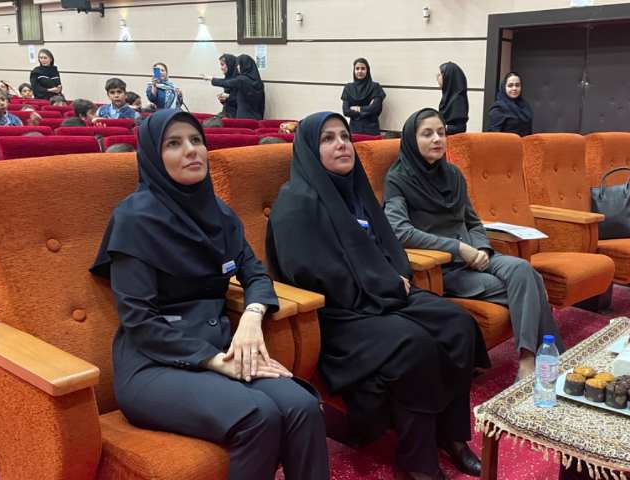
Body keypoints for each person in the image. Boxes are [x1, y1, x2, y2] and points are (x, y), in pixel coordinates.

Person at [90, 109, 329, 480]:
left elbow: (255, 274)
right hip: (152, 365)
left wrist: (251, 317)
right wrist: (214, 361)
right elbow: (139, 320)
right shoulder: (134, 219)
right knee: (259, 415)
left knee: (302, 405)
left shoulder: (220, 214)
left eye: (196, 140)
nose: (191, 150)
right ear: (153, 156)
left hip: (221, 349)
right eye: (174, 143)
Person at [266, 111, 488, 480]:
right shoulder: (295, 203)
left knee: (458, 324)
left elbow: (390, 245)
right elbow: (314, 275)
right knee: (414, 345)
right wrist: (384, 284)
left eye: (344, 136)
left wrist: (394, 277)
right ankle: (417, 463)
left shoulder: (356, 189)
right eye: (328, 139)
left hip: (384, 297)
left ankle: (451, 436)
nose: (341, 145)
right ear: (309, 150)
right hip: (340, 314)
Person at [383, 108, 563, 380]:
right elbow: (400, 231)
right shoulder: (397, 179)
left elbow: (473, 221)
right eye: (427, 134)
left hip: (477, 255)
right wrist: (458, 249)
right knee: (532, 284)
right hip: (444, 267)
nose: (437, 139)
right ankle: (537, 359)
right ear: (411, 139)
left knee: (523, 270)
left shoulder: (453, 174)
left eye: (441, 133)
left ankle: (530, 359)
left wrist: (481, 248)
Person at [203, 54, 265, 120]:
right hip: (257, 119)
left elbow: (226, 83)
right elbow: (246, 99)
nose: (237, 67)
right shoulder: (259, 83)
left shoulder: (242, 80)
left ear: (245, 66)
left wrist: (211, 79)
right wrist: (227, 97)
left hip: (242, 119)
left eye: (239, 65)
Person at [341, 58, 385, 135]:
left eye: (363, 68)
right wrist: (367, 110)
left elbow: (375, 108)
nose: (360, 71)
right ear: (354, 70)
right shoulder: (348, 88)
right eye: (357, 68)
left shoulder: (375, 87)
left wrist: (358, 109)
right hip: (354, 130)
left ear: (367, 70)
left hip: (371, 130)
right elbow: (346, 111)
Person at [486, 72, 533, 136]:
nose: (514, 88)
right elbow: (493, 135)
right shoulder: (498, 108)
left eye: (517, 85)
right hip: (506, 142)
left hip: (524, 142)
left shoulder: (525, 106)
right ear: (504, 87)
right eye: (510, 85)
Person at [437, 62, 469, 135]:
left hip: (453, 140)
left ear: (448, 77)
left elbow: (460, 128)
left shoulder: (458, 100)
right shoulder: (448, 96)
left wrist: (441, 128)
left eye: (440, 74)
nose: (437, 77)